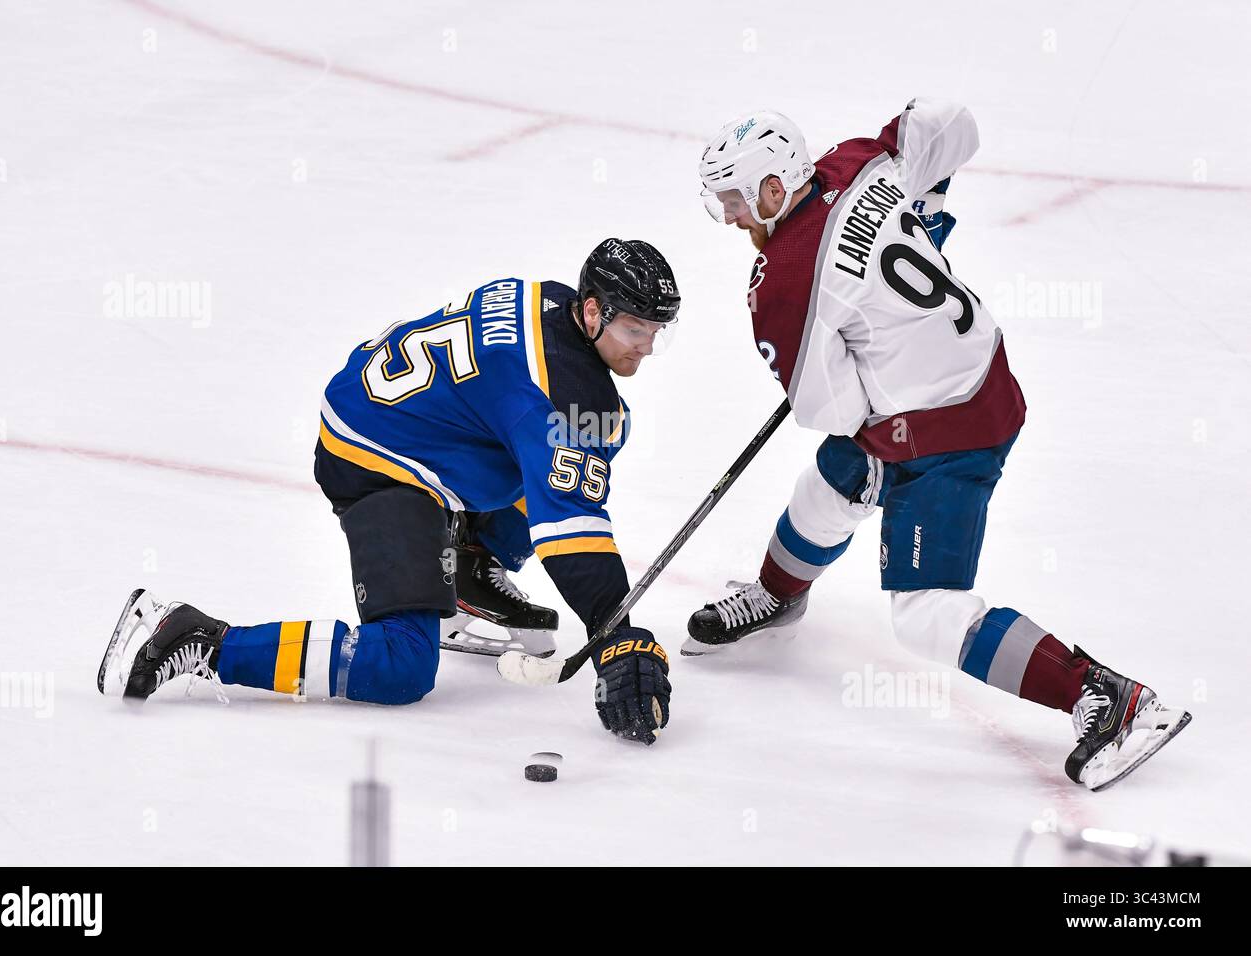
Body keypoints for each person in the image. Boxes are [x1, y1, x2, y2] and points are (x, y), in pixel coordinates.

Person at [687, 100, 1190, 789]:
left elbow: (830, 407)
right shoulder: (856, 163)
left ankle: (1108, 699)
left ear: (775, 186)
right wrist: (920, 207)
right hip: (984, 375)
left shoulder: (784, 283)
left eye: (736, 201)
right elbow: (948, 121)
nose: (733, 219)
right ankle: (778, 595)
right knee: (838, 479)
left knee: (924, 612)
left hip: (948, 434)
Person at [98, 238, 678, 745]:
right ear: (595, 311)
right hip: (379, 461)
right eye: (635, 329)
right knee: (401, 665)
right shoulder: (564, 391)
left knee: (584, 443)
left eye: (656, 332)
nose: (646, 347)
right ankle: (196, 638)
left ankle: (471, 566)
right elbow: (571, 530)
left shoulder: (551, 299)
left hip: (385, 407)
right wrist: (615, 636)